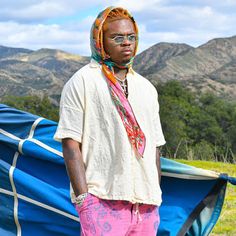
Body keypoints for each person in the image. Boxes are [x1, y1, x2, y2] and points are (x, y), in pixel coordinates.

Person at [54, 6, 166, 236]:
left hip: (145, 205)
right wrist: (84, 200)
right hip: (102, 201)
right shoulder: (82, 82)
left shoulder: (146, 88)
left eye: (131, 37)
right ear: (100, 41)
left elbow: (154, 146)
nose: (127, 43)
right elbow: (70, 143)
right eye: (117, 38)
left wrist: (156, 191)